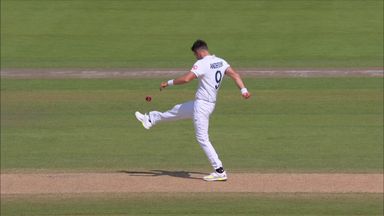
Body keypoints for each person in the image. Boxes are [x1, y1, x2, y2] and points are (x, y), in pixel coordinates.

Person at [135, 39, 251, 181]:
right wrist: (243, 90)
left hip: (202, 106)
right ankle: (151, 118)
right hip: (204, 104)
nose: (195, 57)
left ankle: (219, 170)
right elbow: (235, 75)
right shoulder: (221, 61)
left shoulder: (201, 63)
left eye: (195, 55)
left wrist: (169, 83)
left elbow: (187, 79)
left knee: (202, 138)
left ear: (199, 52)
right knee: (177, 110)